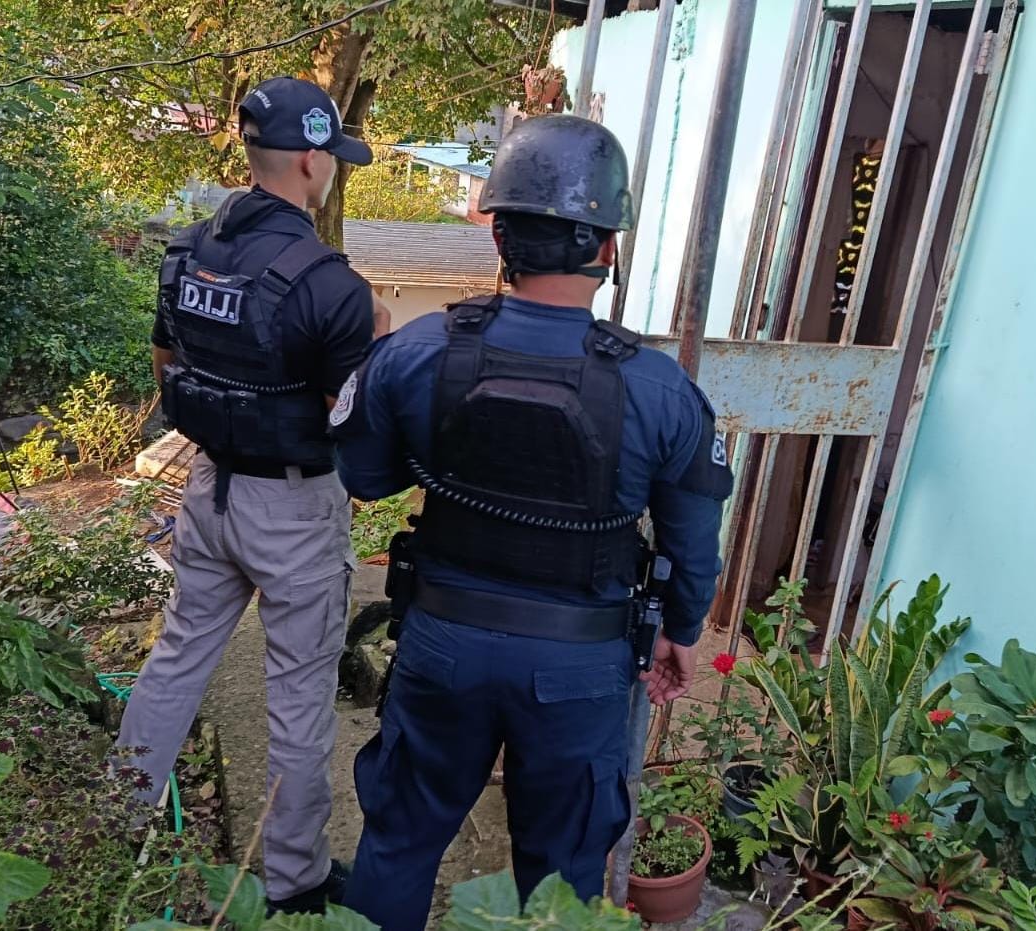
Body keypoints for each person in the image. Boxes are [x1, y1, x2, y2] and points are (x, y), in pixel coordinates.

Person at [330, 113, 733, 929]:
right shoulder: (661, 390)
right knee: (562, 879)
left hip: (442, 647)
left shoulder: (417, 351)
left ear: (498, 235)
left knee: (400, 842)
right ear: (608, 248)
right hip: (579, 670)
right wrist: (682, 630)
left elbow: (364, 476)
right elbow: (693, 546)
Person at [115, 76, 377, 914]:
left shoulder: (186, 251)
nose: (333, 169)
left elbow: (167, 366)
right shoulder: (333, 287)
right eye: (332, 156)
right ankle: (295, 879)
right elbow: (352, 419)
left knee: (177, 656)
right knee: (299, 695)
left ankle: (114, 820)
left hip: (209, 487)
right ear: (308, 160)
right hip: (293, 508)